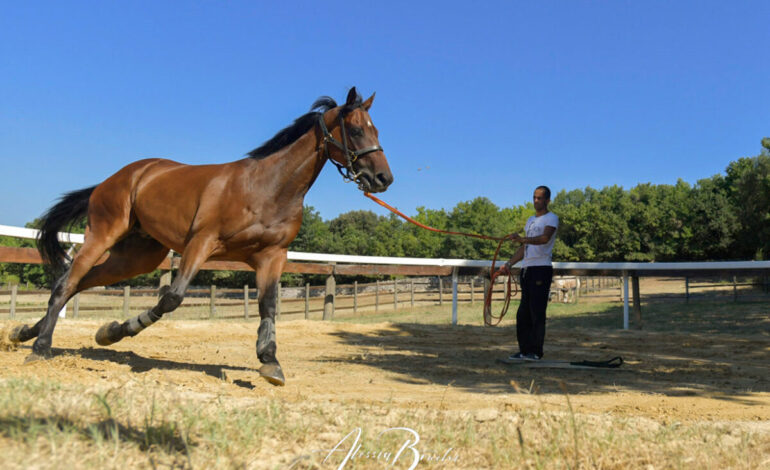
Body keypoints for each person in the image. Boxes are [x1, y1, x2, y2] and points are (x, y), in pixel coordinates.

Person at [497, 186, 559, 361]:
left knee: (537, 311)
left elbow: (544, 238)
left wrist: (522, 239)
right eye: (534, 198)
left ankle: (536, 352)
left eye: (540, 198)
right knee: (523, 313)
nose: (536, 201)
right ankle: (524, 350)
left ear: (547, 200)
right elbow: (525, 248)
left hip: (541, 268)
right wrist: (508, 264)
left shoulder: (551, 218)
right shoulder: (530, 221)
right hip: (527, 269)